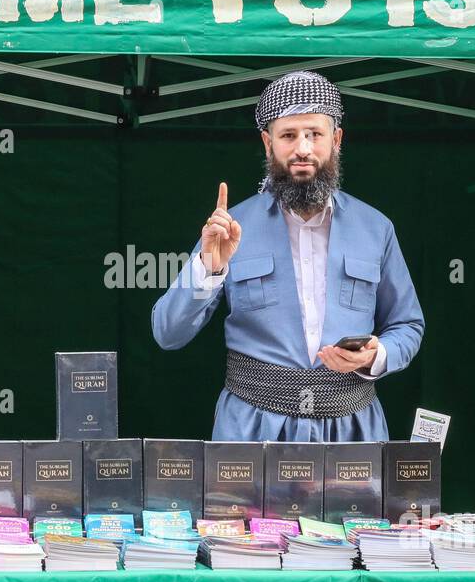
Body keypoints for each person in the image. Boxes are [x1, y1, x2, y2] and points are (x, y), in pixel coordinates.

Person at [151, 70, 424, 441]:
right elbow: (168, 332)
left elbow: (408, 326)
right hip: (252, 433)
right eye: (288, 135)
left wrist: (377, 355)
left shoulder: (375, 228)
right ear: (268, 143)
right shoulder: (231, 229)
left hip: (352, 433)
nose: (303, 149)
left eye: (314, 134)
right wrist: (208, 269)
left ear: (337, 139)